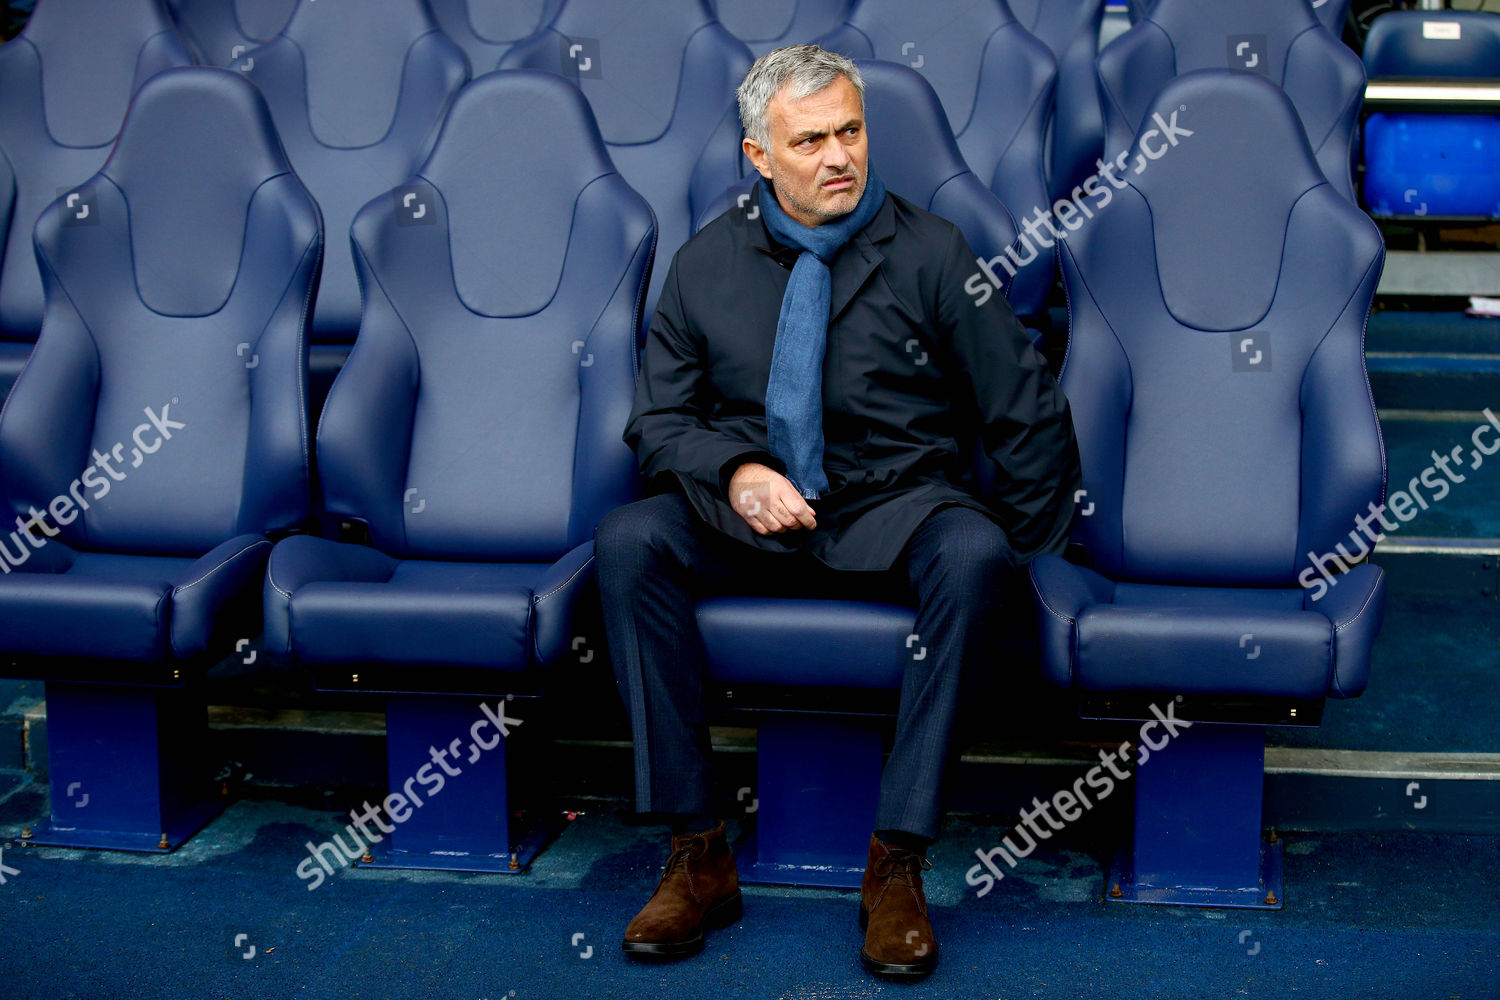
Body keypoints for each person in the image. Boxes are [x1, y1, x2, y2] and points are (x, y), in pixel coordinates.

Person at [595, 44, 1079, 980]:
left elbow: (1024, 408)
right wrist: (734, 470)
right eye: (809, 139)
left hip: (894, 506)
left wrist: (1031, 562)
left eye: (850, 131)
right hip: (754, 515)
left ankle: (895, 863)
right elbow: (656, 422)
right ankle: (698, 851)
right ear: (758, 157)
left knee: (976, 556)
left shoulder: (933, 251)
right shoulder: (706, 263)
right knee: (628, 542)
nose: (838, 157)